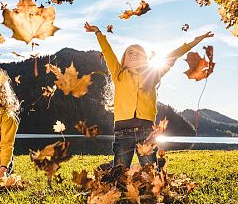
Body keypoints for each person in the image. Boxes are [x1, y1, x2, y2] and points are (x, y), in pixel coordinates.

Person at [85, 22, 213, 169]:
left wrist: (195, 41)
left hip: (146, 132)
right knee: (119, 171)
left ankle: (156, 170)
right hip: (122, 132)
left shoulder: (152, 75)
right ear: (123, 60)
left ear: (145, 59)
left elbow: (172, 56)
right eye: (129, 53)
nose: (133, 55)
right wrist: (98, 33)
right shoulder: (118, 74)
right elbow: (107, 52)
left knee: (150, 172)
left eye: (137, 53)